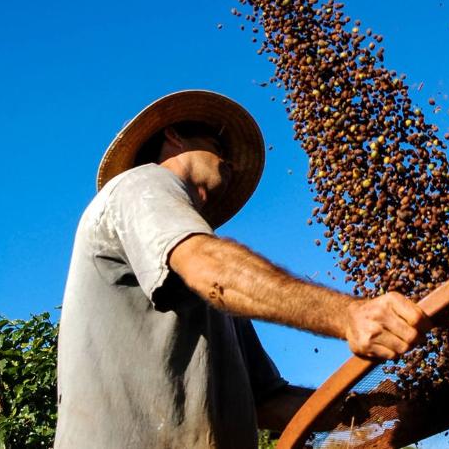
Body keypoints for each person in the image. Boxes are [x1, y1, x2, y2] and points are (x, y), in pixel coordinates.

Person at [54, 90, 427, 448]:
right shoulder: (139, 184)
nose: (230, 162)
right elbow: (210, 267)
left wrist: (383, 411)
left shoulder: (217, 293)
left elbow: (265, 401)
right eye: (219, 148)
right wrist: (350, 314)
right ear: (174, 137)